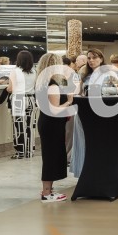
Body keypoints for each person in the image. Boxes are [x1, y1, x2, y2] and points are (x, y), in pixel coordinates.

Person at [35, 53, 73, 203]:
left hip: (47, 123)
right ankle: (46, 192)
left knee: (49, 156)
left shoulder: (41, 82)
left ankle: (48, 189)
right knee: (51, 157)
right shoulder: (52, 85)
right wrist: (69, 102)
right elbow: (55, 109)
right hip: (52, 124)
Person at [7, 50, 37, 159]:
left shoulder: (15, 71)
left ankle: (20, 152)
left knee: (18, 126)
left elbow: (10, 88)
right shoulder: (34, 71)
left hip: (18, 99)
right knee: (30, 126)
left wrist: (7, 88)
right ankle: (29, 152)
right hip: (31, 100)